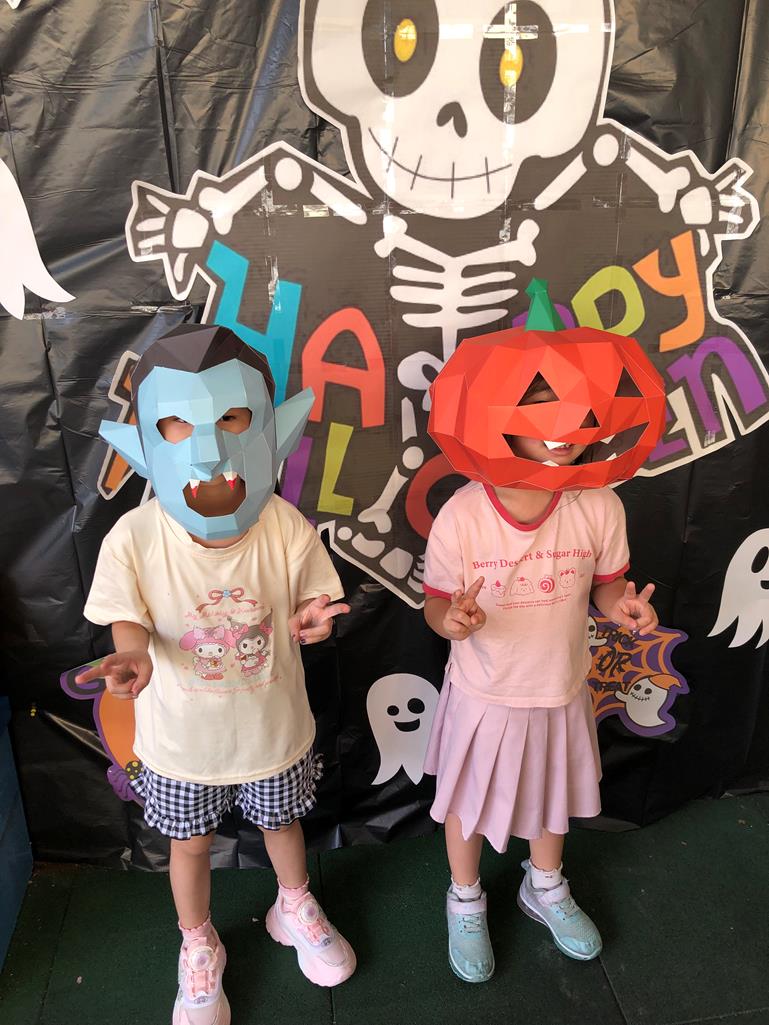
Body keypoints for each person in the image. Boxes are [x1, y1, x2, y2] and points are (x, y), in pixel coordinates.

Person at [76, 324, 355, 1025]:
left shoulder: (284, 525)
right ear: (145, 441)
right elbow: (127, 618)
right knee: (189, 845)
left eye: (232, 416)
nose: (207, 447)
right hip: (181, 744)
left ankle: (293, 904)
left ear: (269, 429)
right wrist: (134, 655)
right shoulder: (134, 536)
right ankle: (198, 941)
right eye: (175, 423)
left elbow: (314, 601)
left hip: (273, 731)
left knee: (283, 824)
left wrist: (315, 619)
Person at [422, 286, 661, 983]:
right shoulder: (462, 515)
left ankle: (544, 884)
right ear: (496, 412)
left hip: (560, 686)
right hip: (485, 691)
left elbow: (608, 584)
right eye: (541, 404)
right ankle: (464, 896)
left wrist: (622, 606)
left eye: (581, 412)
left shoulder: (598, 504)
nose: (566, 426)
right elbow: (434, 606)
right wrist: (450, 621)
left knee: (553, 797)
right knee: (467, 802)